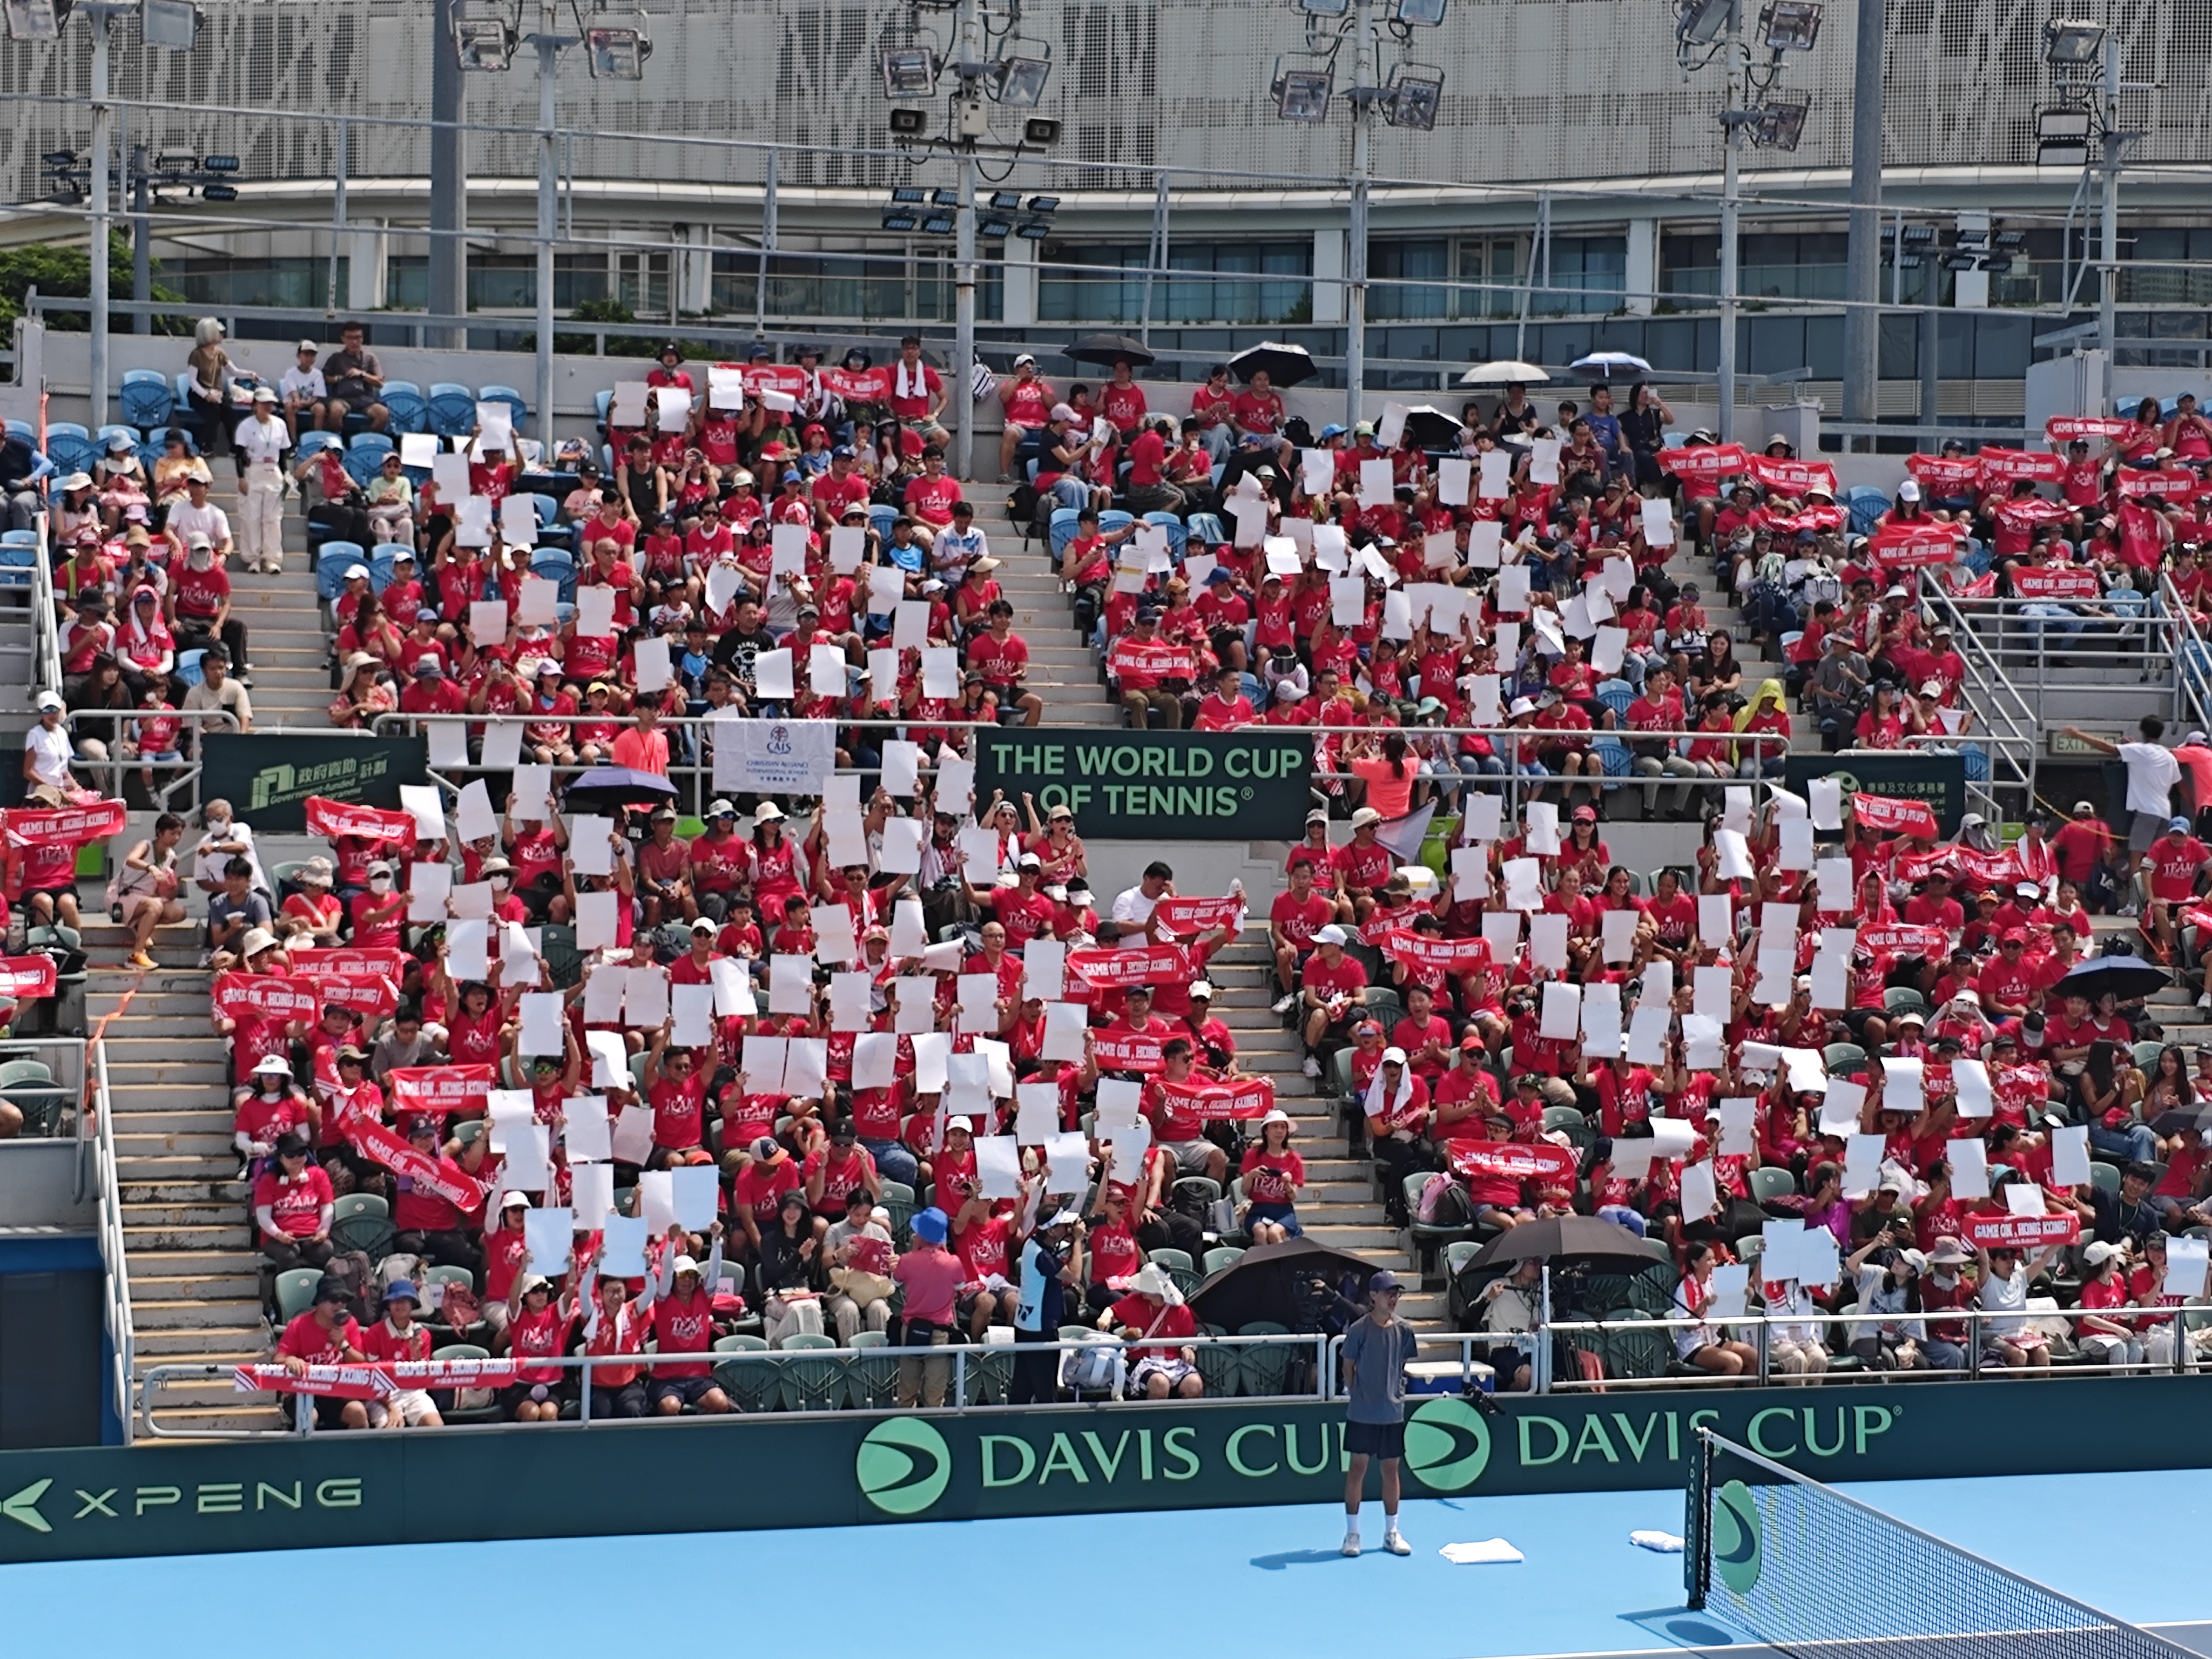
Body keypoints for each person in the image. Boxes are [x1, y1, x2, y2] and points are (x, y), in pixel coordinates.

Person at [1341, 1268, 1418, 1557]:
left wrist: (1394, 1394)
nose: (1393, 1298)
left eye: (1396, 1293)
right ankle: (1352, 1534)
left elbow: (1401, 1365)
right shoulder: (1359, 1329)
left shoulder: (1405, 1330)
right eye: (1388, 1293)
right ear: (1373, 1296)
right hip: (1362, 1413)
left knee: (1391, 1470)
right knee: (1358, 1469)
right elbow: (1348, 1367)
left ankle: (1391, 1532)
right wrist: (1359, 1394)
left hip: (1392, 1413)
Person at [272, 1274, 368, 1432]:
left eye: (343, 1300)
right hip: (304, 1389)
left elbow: (362, 1364)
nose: (339, 1305)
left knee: (358, 1413)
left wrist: (344, 1346)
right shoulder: (299, 1325)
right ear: (320, 1301)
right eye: (334, 1300)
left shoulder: (349, 1324)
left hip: (337, 1389)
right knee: (309, 1416)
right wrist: (290, 1360)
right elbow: (278, 1359)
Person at [1010, 1202, 1083, 1405]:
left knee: (1022, 1389)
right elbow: (1075, 1275)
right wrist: (1078, 1241)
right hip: (1039, 1328)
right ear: (1051, 1231)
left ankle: (1012, 1419)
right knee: (1046, 1392)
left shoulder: (1033, 1244)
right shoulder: (1042, 1255)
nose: (1068, 1228)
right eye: (1063, 1226)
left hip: (1027, 1324)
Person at [894, 1206, 963, 1408]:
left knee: (906, 1394)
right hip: (940, 1333)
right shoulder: (954, 1262)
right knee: (935, 1396)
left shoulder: (906, 1260)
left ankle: (904, 1424)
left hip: (911, 1329)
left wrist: (914, 1252)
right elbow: (960, 1287)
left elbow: (894, 1282)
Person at [359, 1281, 445, 1429]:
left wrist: (416, 1354)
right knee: (390, 1427)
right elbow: (373, 1378)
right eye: (395, 1301)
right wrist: (391, 1407)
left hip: (413, 1392)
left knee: (435, 1426)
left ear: (413, 1304)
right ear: (389, 1305)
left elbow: (421, 1378)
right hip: (381, 1395)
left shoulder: (422, 1334)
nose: (400, 1305)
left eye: (405, 1301)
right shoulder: (374, 1333)